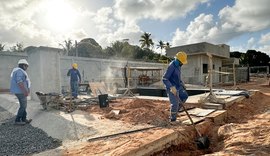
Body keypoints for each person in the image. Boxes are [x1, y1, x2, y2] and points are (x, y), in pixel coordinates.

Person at [162, 51, 189, 122]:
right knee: (175, 103)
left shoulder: (178, 66)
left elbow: (178, 77)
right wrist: (171, 87)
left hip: (178, 86)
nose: (182, 63)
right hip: (171, 88)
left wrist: (182, 84)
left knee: (184, 96)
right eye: (182, 62)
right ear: (178, 60)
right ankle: (172, 119)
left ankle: (175, 111)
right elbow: (164, 78)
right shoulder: (171, 66)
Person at [10, 59, 32, 125]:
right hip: (20, 92)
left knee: (23, 105)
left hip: (19, 91)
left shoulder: (17, 71)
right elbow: (19, 82)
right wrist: (25, 91)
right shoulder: (19, 71)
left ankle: (24, 119)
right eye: (26, 66)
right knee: (23, 106)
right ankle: (17, 120)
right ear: (23, 65)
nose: (27, 68)